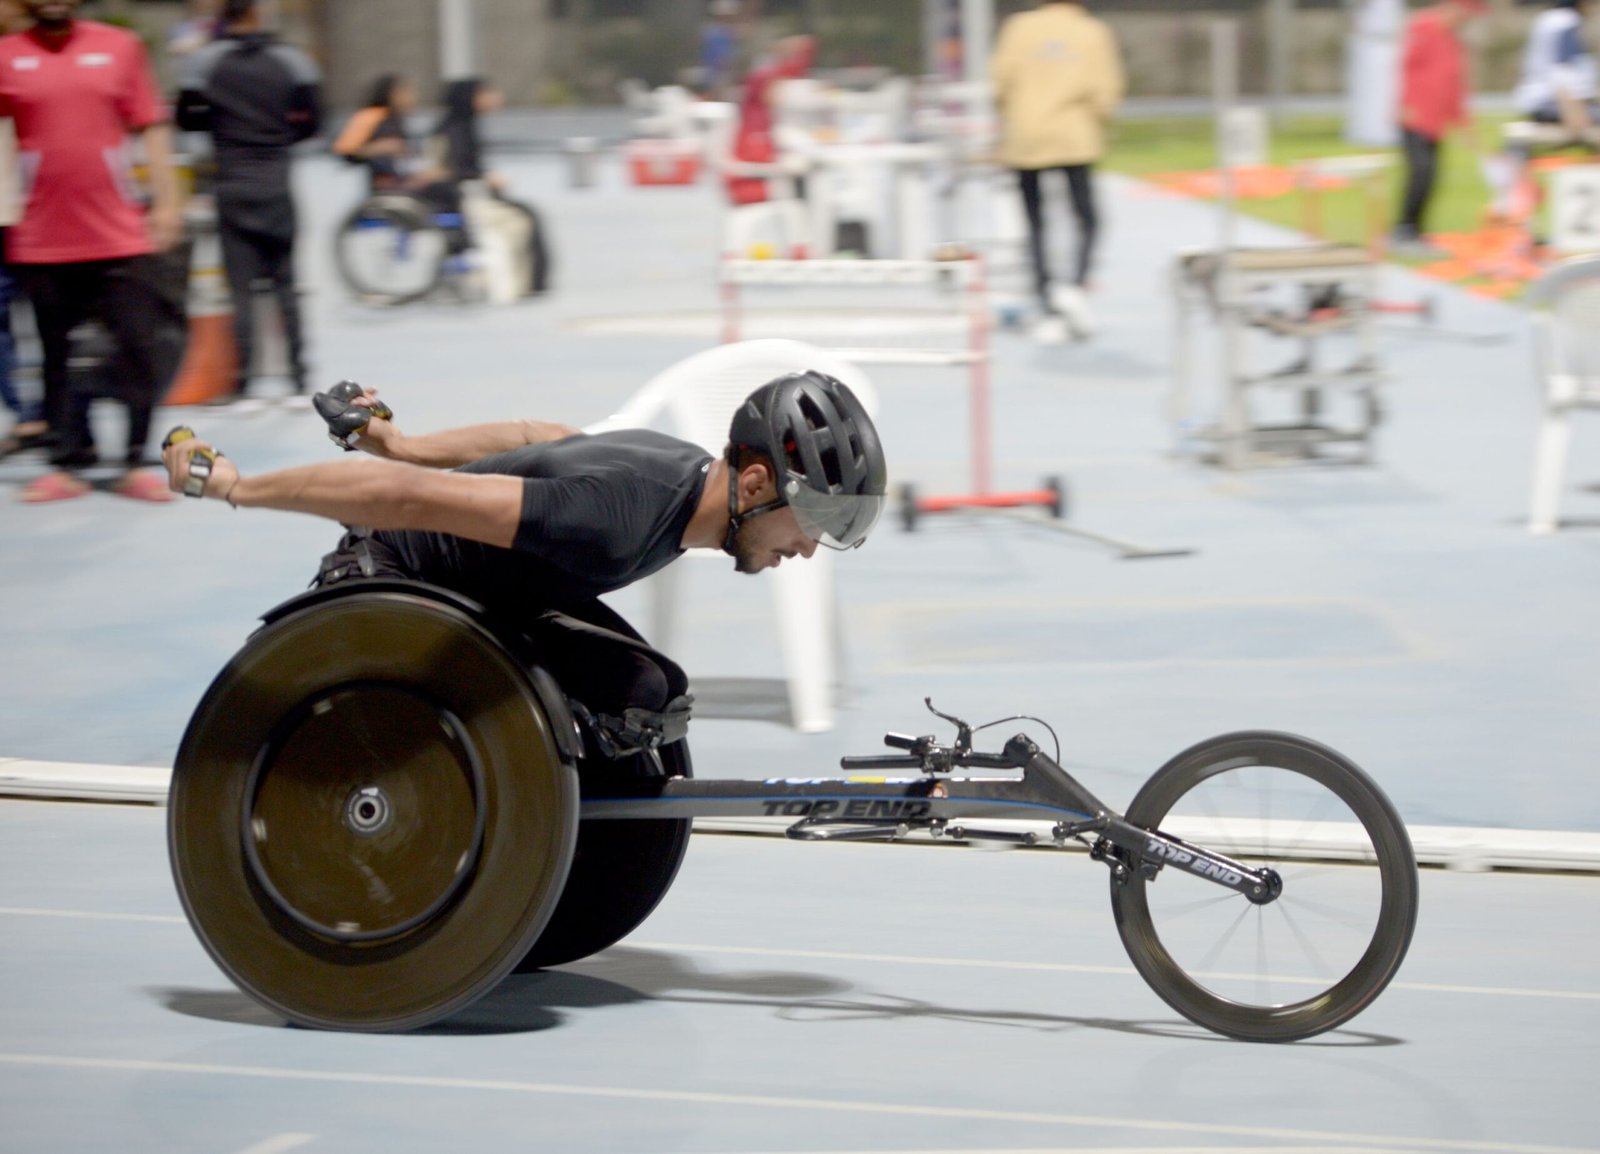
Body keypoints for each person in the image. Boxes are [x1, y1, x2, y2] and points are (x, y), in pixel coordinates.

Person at [161, 372, 887, 762]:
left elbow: (540, 437)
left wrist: (402, 442)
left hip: (492, 588)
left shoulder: (683, 471)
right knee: (636, 691)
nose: (810, 548)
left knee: (647, 695)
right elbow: (404, 502)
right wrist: (237, 486)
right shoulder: (614, 516)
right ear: (757, 484)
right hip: (387, 577)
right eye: (815, 522)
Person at [0, 0, 184, 503]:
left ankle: (133, 460)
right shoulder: (7, 55)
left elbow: (150, 124)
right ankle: (69, 461)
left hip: (119, 231)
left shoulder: (118, 47)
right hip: (40, 236)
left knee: (139, 347)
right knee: (56, 355)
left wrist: (167, 202)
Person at [176, 0, 322, 407]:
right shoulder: (291, 61)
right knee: (286, 287)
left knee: (240, 290)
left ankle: (244, 386)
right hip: (276, 182)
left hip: (232, 183)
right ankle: (297, 380)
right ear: (258, 14)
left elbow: (186, 119)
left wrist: (226, 131)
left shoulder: (204, 62)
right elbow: (314, 121)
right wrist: (277, 138)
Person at [990, 0, 1124, 344]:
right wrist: (1101, 119)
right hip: (1074, 133)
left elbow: (1001, 80)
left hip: (1027, 134)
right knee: (1087, 216)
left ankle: (1046, 295)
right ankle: (1075, 285)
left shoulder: (1019, 27)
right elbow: (1106, 88)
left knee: (1035, 220)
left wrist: (1013, 117)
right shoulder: (1092, 31)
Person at [429, 76, 548, 297]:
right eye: (485, 93)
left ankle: (532, 284)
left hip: (474, 192)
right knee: (520, 222)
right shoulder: (455, 128)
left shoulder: (464, 125)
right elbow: (451, 168)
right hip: (467, 197)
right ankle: (521, 285)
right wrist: (485, 178)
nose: (493, 98)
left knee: (528, 214)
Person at [1390, 0, 1485, 258]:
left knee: (1431, 176)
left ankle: (1415, 230)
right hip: (1416, 115)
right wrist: (1405, 104)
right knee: (1421, 172)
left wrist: (1464, 123)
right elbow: (1407, 66)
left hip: (1435, 121)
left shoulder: (1452, 42)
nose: (1469, 19)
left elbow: (1454, 85)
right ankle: (1403, 230)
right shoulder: (1424, 27)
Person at [333, 74, 465, 251]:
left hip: (405, 180)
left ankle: (457, 246)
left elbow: (406, 160)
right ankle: (456, 247)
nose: (411, 97)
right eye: (404, 92)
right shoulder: (370, 116)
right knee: (446, 192)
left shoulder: (398, 120)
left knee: (451, 188)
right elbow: (344, 151)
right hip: (386, 185)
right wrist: (377, 148)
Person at [0, 0, 45, 457]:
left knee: (54, 318)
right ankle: (30, 414)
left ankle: (55, 415)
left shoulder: (31, 56)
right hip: (11, 207)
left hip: (40, 212)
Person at [1513, 0, 1598, 142]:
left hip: (1543, 99)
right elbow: (1563, 72)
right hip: (1552, 102)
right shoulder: (1565, 22)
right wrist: (1575, 115)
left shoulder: (1550, 20)